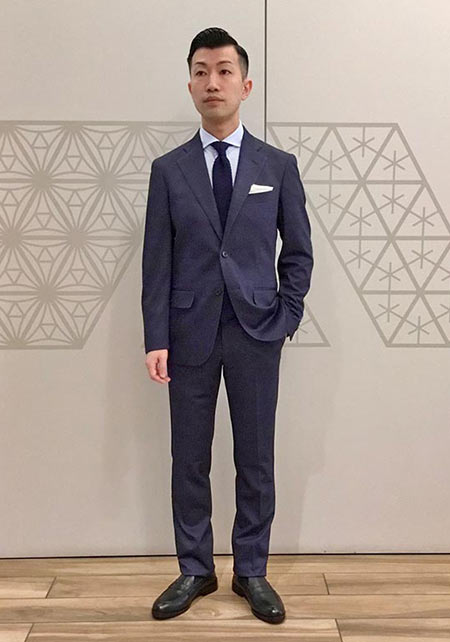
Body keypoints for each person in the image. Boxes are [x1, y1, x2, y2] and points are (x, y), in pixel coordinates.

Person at [141, 27, 313, 625]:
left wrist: (286, 315)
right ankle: (195, 567)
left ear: (245, 84)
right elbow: (156, 261)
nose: (211, 82)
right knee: (188, 457)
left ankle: (251, 569)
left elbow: (298, 252)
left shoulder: (278, 166)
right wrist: (156, 337)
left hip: (256, 331)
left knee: (255, 456)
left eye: (223, 71)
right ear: (190, 84)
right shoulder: (168, 170)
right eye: (200, 71)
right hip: (187, 333)